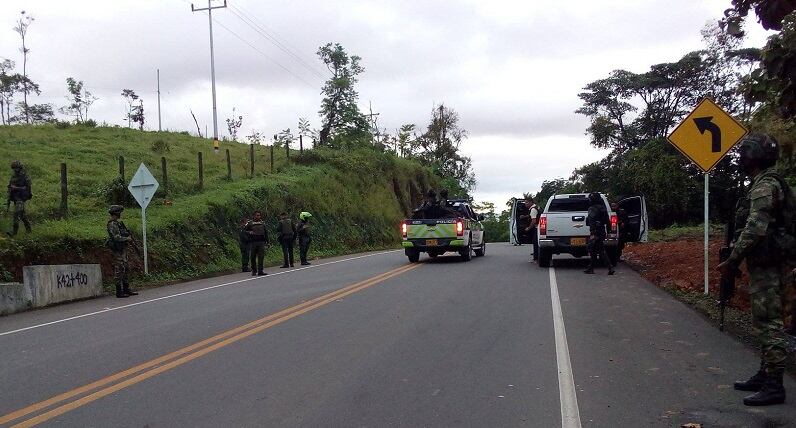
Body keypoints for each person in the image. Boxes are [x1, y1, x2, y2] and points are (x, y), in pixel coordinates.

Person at [717, 134, 790, 406]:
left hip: (769, 263)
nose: (741, 159)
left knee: (769, 321)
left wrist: (732, 260)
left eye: (745, 153)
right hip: (768, 260)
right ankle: (765, 374)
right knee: (763, 319)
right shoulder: (766, 183)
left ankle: (774, 385)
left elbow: (755, 229)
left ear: (754, 157)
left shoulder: (764, 186)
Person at [107, 205, 138, 298]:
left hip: (122, 249)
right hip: (117, 249)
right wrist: (127, 239)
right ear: (116, 213)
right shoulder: (112, 224)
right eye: (119, 212)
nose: (120, 214)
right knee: (119, 269)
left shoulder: (118, 224)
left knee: (126, 268)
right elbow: (116, 237)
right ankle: (119, 291)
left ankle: (126, 289)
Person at [585, 192, 614, 275]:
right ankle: (591, 268)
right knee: (595, 250)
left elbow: (591, 221)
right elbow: (608, 222)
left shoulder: (592, 209)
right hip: (602, 231)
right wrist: (609, 231)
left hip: (596, 232)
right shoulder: (603, 208)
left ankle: (610, 267)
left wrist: (592, 232)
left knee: (598, 250)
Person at [6, 160, 32, 237]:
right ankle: (29, 230)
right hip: (15, 197)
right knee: (23, 215)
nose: (15, 170)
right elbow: (10, 185)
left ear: (19, 167)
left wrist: (16, 188)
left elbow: (26, 188)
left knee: (16, 214)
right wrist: (10, 189)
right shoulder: (14, 176)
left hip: (21, 197)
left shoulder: (25, 176)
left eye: (16, 168)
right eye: (13, 168)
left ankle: (14, 232)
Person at [245, 211, 269, 276]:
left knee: (261, 257)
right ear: (254, 216)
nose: (258, 217)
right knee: (253, 257)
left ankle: (260, 271)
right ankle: (254, 271)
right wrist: (249, 233)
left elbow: (266, 233)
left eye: (259, 215)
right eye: (257, 215)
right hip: (253, 242)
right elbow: (245, 231)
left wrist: (267, 242)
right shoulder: (250, 223)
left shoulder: (262, 223)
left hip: (261, 242)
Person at [522, 196, 541, 262]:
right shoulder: (537, 207)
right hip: (539, 228)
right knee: (536, 243)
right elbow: (533, 216)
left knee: (535, 243)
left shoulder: (533, 209)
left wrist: (529, 228)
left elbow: (533, 220)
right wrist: (525, 216)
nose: (525, 204)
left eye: (526, 202)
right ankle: (536, 257)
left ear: (531, 202)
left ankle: (536, 259)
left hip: (536, 228)